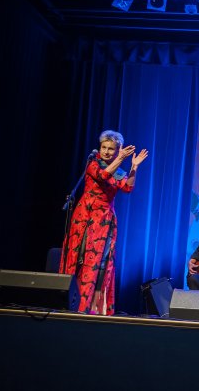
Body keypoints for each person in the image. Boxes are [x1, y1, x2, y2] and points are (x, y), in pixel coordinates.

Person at [60, 130, 148, 315]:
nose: (106, 152)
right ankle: (70, 301)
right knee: (80, 258)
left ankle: (91, 307)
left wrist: (134, 167)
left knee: (98, 263)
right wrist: (120, 159)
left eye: (111, 149)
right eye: (104, 147)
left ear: (117, 151)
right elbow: (102, 176)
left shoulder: (119, 171)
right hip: (86, 216)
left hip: (105, 220)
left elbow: (128, 188)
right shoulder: (93, 163)